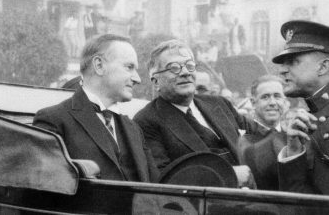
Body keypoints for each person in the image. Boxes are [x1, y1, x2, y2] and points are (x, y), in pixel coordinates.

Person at [133, 39, 260, 188]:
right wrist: (227, 175)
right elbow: (163, 180)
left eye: (190, 66)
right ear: (156, 82)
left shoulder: (219, 104)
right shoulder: (146, 121)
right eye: (174, 68)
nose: (185, 72)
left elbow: (260, 137)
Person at [33, 34, 158, 182]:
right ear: (99, 65)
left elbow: (156, 188)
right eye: (129, 67)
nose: (138, 79)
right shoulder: (53, 120)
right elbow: (46, 191)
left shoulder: (134, 129)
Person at [272, 20, 329, 194]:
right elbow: (297, 202)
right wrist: (294, 152)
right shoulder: (308, 118)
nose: (282, 70)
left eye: (293, 61)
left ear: (323, 67)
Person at [238, 75, 288, 190]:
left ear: (284, 101)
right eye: (265, 97)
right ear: (253, 103)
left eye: (277, 96)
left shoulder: (292, 134)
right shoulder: (246, 140)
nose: (272, 102)